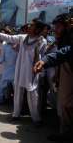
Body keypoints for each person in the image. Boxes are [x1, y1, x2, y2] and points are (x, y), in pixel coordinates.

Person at [0, 18, 47, 126]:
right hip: (19, 70)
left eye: (32, 25)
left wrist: (40, 72)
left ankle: (36, 118)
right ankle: (16, 114)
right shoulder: (22, 38)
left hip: (31, 72)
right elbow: (8, 37)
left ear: (37, 29)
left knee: (32, 95)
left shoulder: (42, 41)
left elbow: (43, 58)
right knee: (17, 93)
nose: (29, 27)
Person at [34, 14, 73, 142]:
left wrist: (45, 60)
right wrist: (58, 74)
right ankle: (65, 132)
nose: (55, 29)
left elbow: (67, 51)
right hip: (65, 70)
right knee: (64, 104)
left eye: (58, 26)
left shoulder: (69, 37)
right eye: (55, 26)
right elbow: (63, 57)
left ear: (67, 26)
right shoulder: (62, 38)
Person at [0, 40, 17, 104]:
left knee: (16, 87)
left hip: (15, 69)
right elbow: (2, 57)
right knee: (1, 85)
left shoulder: (18, 45)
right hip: (6, 68)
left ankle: (16, 103)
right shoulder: (4, 46)